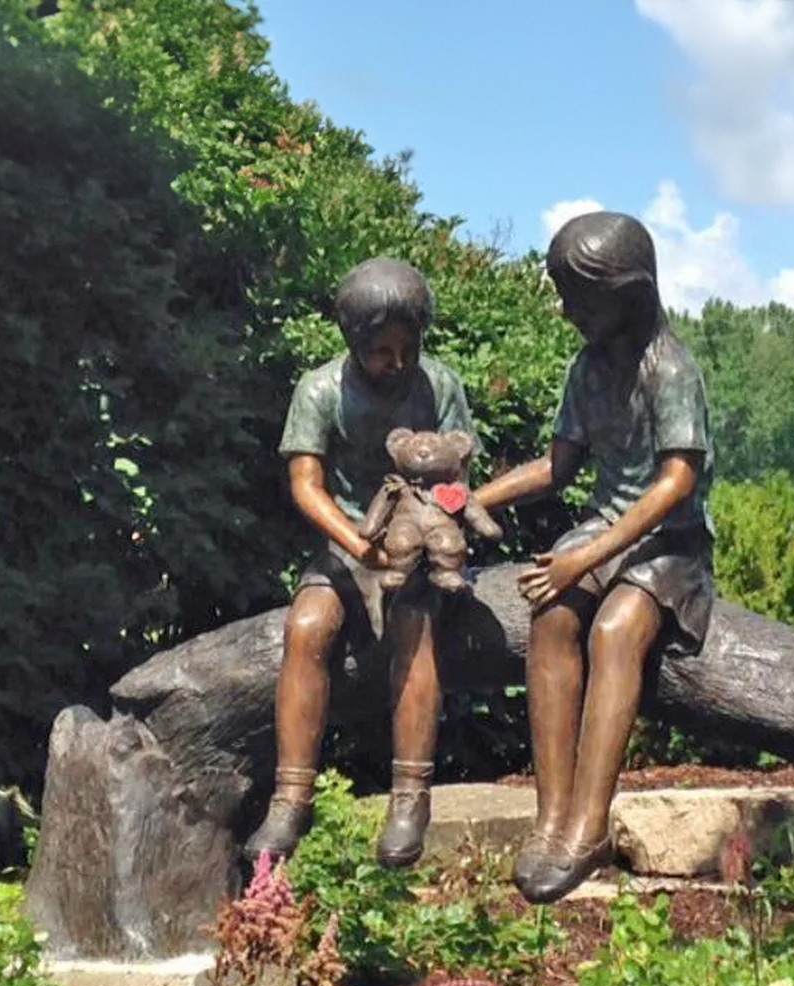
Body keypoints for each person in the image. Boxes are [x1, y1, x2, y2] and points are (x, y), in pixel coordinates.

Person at [473, 212, 715, 903]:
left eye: (578, 298)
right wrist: (471, 498)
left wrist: (589, 557)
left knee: (613, 632)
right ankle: (550, 814)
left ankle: (588, 825)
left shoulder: (670, 369)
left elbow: (677, 483)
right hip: (606, 530)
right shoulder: (586, 368)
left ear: (629, 294)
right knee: (550, 618)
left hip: (669, 543)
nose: (566, 311)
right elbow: (558, 467)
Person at [245, 257, 479, 866]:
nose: (398, 363)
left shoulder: (441, 386)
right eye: (382, 351)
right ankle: (291, 797)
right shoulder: (320, 390)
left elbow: (459, 473)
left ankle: (410, 795)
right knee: (307, 628)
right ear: (353, 341)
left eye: (409, 348)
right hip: (346, 546)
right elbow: (305, 484)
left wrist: (442, 524)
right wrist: (357, 546)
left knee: (416, 631)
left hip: (415, 548)